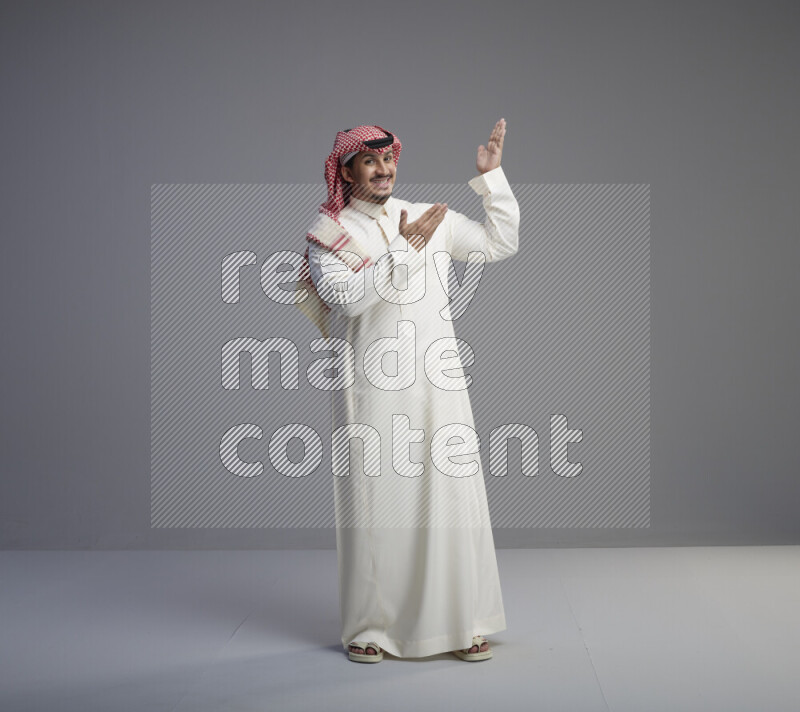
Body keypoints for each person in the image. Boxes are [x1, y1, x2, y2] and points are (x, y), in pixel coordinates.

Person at [296, 120, 520, 662]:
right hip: (372, 388)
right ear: (346, 171)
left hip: (439, 381)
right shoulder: (329, 235)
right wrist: (401, 249)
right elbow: (347, 300)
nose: (383, 170)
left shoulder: (426, 218)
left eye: (388, 159)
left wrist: (493, 181)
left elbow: (500, 243)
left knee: (449, 500)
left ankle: (462, 621)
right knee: (378, 506)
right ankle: (371, 630)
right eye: (369, 162)